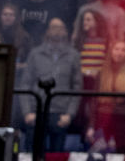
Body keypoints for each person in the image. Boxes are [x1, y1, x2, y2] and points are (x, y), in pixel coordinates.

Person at [19, 18, 82, 153]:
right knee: (34, 153)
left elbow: (77, 88)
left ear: (65, 31)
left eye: (60, 27)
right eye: (53, 27)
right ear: (48, 30)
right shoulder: (35, 54)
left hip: (60, 113)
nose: (57, 31)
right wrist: (27, 112)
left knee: (56, 156)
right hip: (37, 111)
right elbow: (25, 84)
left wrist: (70, 115)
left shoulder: (73, 56)